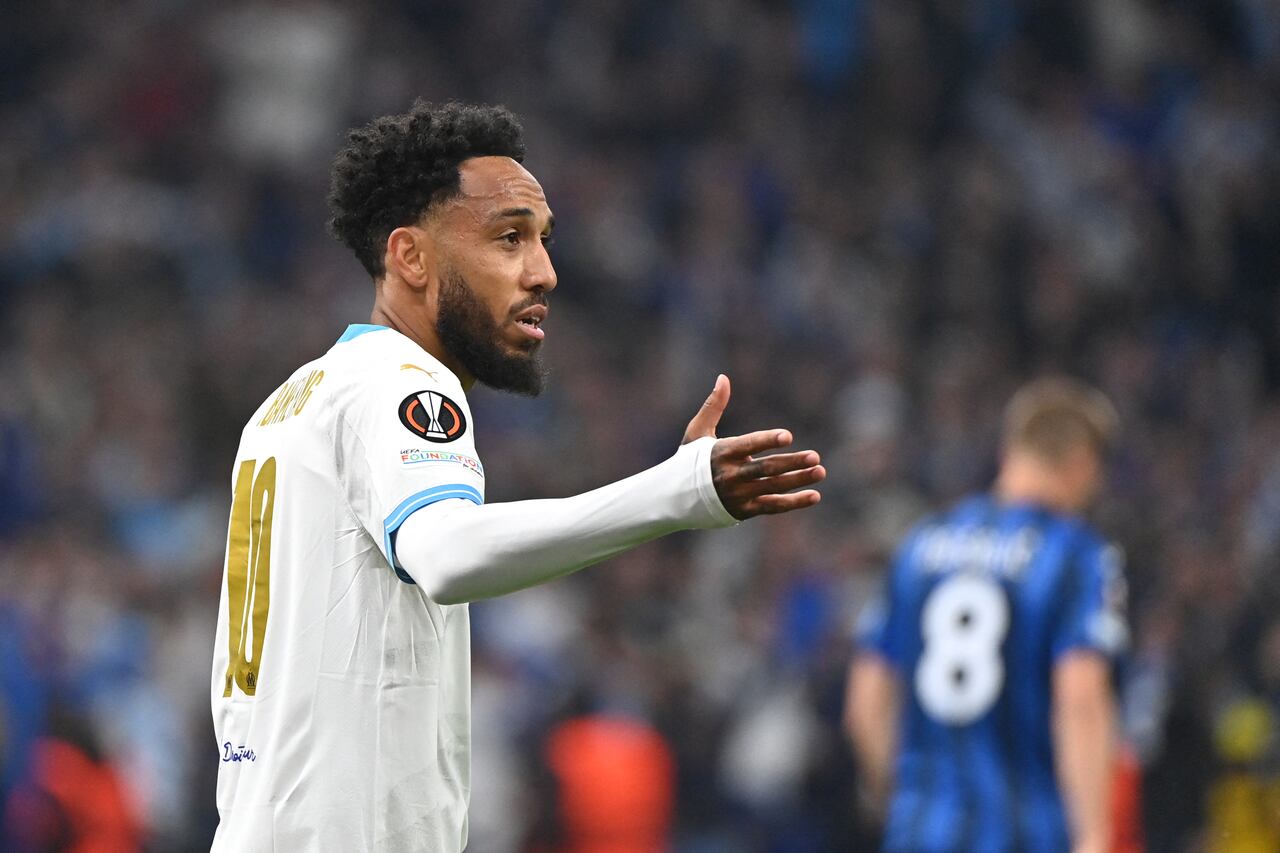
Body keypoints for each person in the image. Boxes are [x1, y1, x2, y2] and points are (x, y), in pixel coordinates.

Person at [208, 100, 825, 852]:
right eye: (509, 238)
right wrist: (676, 492)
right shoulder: (403, 384)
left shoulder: (287, 404)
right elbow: (447, 554)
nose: (544, 273)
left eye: (544, 240)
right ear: (411, 257)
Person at [845, 378, 1128, 853]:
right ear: (1082, 463)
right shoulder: (1077, 555)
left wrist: (904, 800)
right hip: (1023, 834)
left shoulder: (920, 545)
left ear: (1010, 451)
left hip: (920, 832)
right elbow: (1080, 698)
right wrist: (1094, 835)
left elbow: (866, 701)